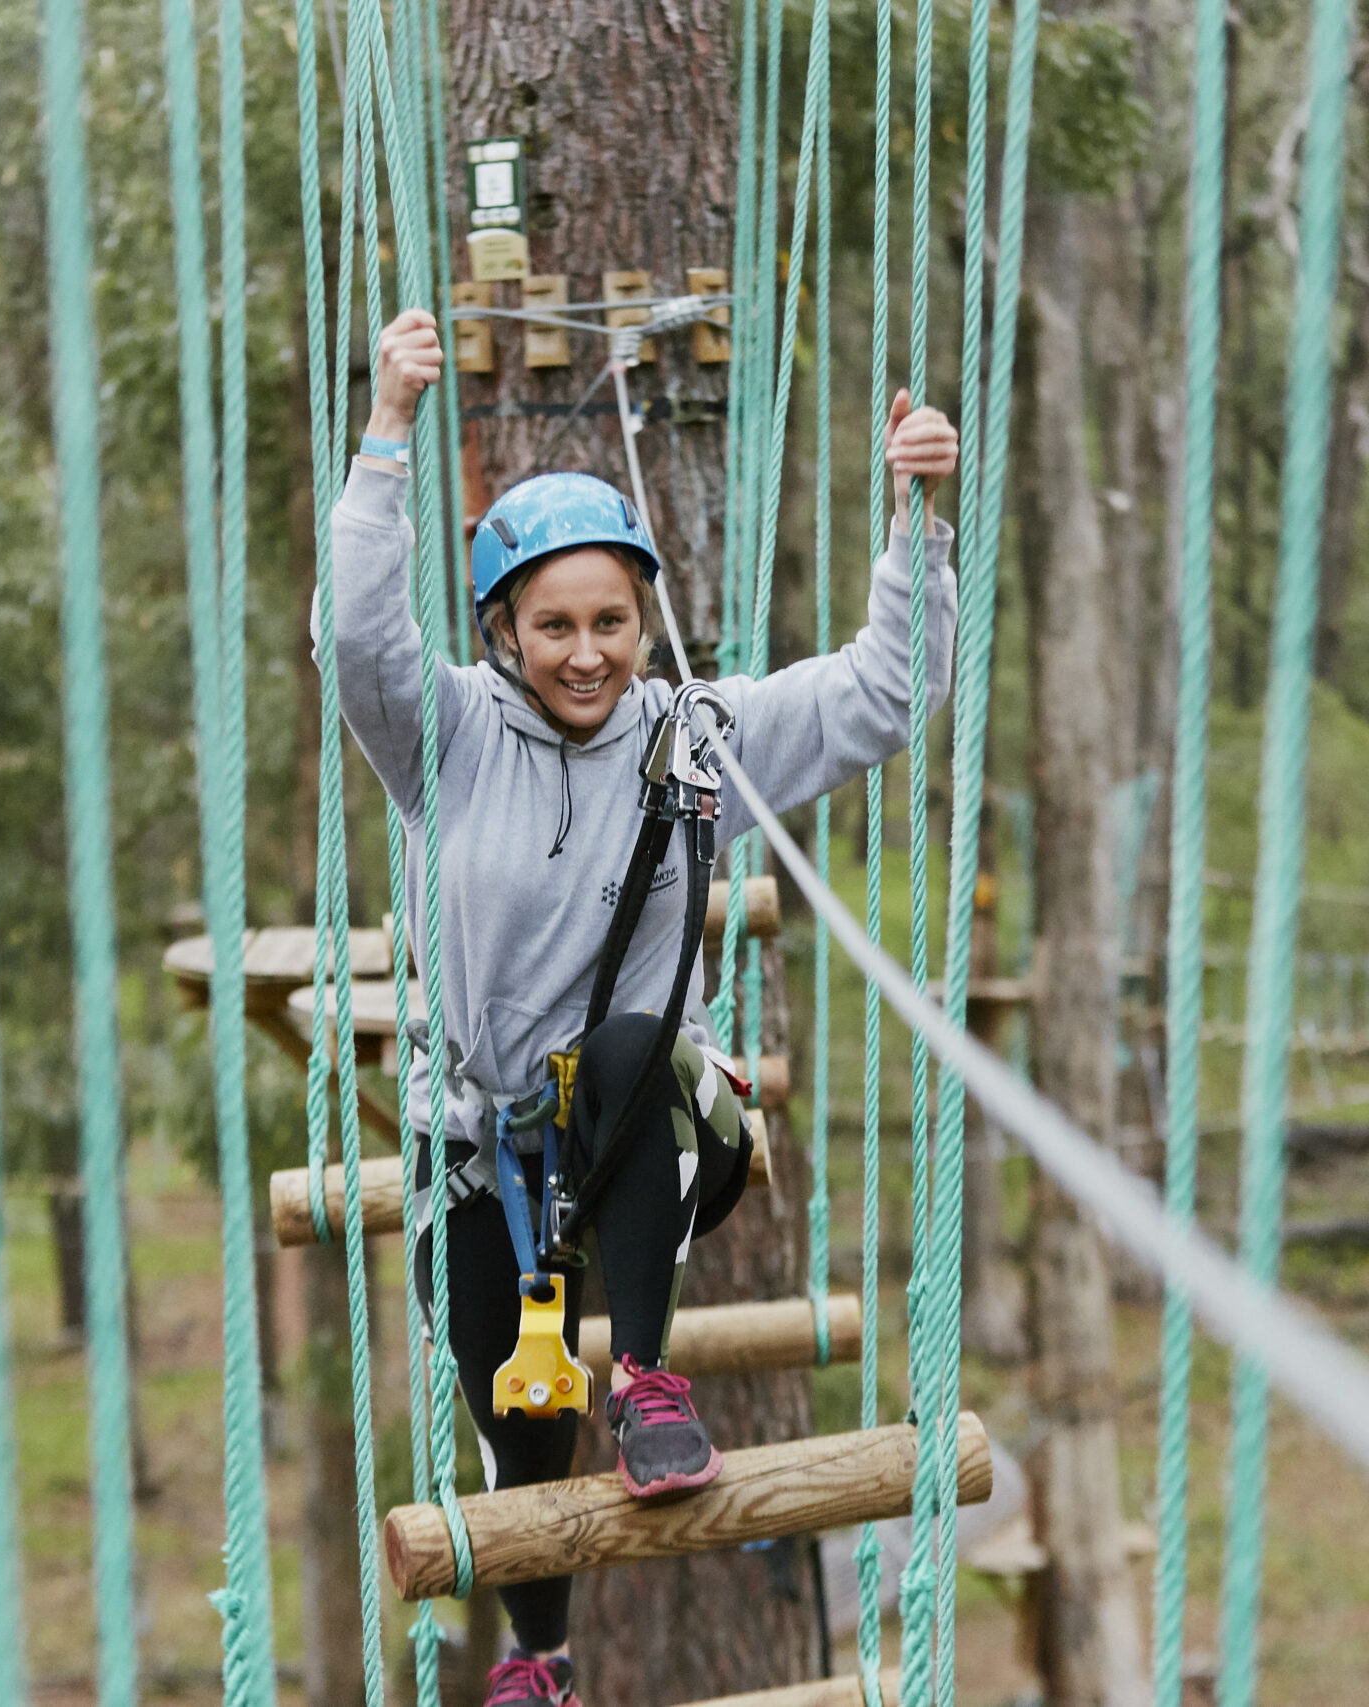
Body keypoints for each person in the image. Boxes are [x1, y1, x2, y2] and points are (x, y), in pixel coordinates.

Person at [323, 306, 958, 1707]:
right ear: (502, 628)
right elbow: (358, 637)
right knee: (513, 1411)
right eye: (555, 625)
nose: (588, 654)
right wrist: (385, 438)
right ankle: (536, 1656)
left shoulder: (694, 741)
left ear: (645, 621)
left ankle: (652, 1385)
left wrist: (919, 532)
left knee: (620, 1052)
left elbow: (881, 695)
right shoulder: (439, 742)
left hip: (660, 1128)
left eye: (612, 621)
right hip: (485, 1149)